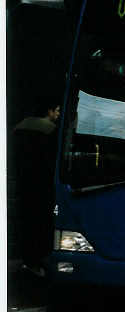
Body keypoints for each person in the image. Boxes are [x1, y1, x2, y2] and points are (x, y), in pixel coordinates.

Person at [12, 97, 61, 277]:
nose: (58, 114)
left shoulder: (19, 128)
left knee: (26, 223)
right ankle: (39, 262)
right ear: (48, 111)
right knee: (41, 224)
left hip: (24, 182)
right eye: (56, 110)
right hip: (42, 185)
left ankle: (28, 261)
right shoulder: (50, 130)